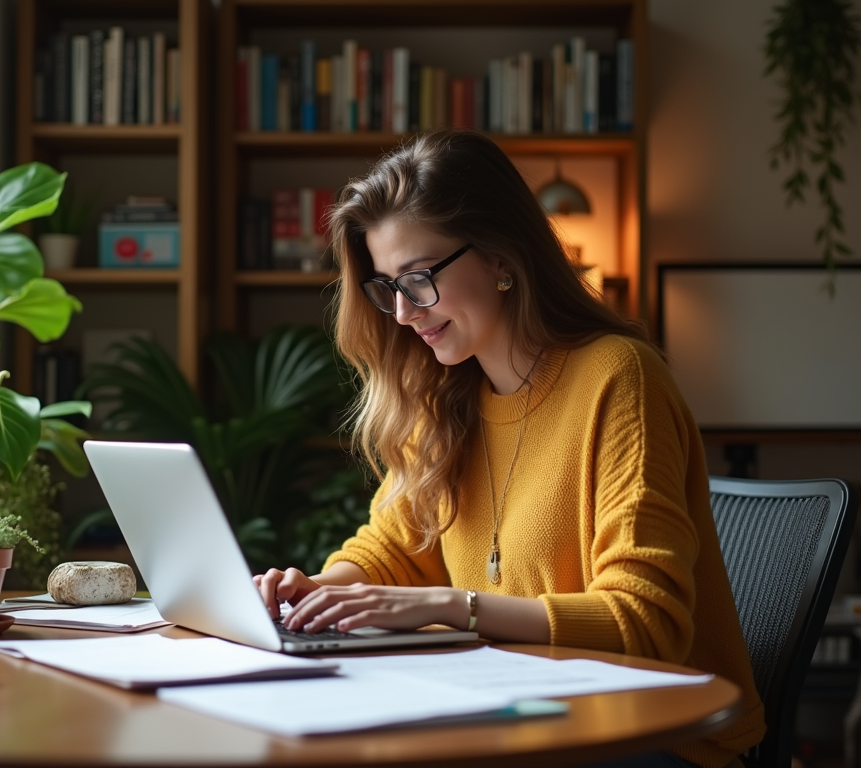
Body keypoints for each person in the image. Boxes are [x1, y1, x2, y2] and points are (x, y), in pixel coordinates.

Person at [254, 129, 764, 768]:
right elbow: (392, 550)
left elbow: (646, 624)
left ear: (501, 257)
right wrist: (322, 594)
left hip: (650, 741)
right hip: (517, 723)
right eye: (386, 288)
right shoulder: (441, 393)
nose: (404, 314)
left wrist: (447, 607)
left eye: (418, 279)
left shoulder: (618, 378)